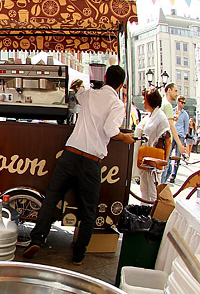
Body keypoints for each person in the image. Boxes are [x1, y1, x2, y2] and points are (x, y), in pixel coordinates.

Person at [24, 65, 134, 265]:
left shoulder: (90, 95)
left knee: (51, 198)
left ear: (106, 77)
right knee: (89, 210)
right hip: (91, 162)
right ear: (122, 85)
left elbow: (77, 92)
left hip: (70, 154)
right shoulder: (117, 104)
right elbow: (111, 130)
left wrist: (79, 87)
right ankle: (78, 254)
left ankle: (37, 239)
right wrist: (125, 137)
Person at [134, 88, 171, 203]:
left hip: (154, 159)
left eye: (145, 99)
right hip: (145, 158)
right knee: (144, 190)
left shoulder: (161, 117)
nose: (143, 102)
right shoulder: (149, 116)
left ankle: (153, 217)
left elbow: (168, 140)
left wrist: (164, 160)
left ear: (151, 100)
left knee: (152, 191)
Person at [159, 82, 184, 183]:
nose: (177, 94)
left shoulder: (163, 103)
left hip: (162, 142)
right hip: (165, 144)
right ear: (169, 90)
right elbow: (171, 127)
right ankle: (159, 195)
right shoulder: (168, 105)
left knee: (168, 169)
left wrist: (173, 119)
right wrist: (180, 145)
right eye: (175, 91)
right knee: (165, 171)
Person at [167, 95, 190, 183]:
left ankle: (173, 175)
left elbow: (186, 127)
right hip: (172, 134)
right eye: (182, 102)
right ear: (178, 102)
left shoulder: (185, 115)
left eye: (184, 103)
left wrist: (183, 138)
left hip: (180, 136)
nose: (183, 104)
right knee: (168, 153)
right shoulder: (172, 111)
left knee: (177, 156)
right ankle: (168, 171)